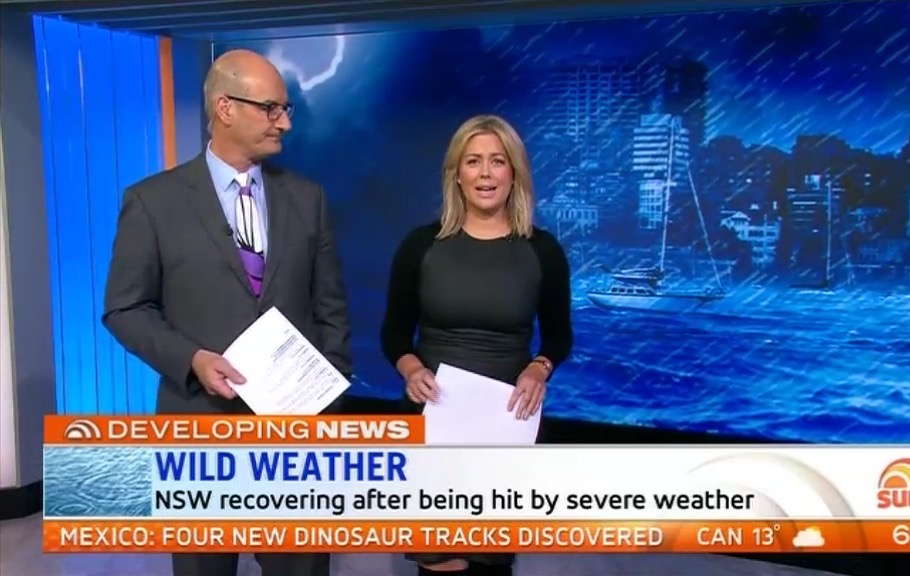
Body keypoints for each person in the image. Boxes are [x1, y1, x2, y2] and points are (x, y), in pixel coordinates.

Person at [102, 49, 352, 576]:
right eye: (270, 108)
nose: (284, 122)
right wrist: (192, 359)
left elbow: (331, 307)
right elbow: (125, 308)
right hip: (199, 431)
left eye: (285, 109)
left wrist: (327, 398)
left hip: (295, 443)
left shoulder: (307, 198)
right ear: (225, 107)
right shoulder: (152, 202)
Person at [379, 114, 574, 576]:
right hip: (434, 420)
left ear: (514, 173)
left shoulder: (543, 250)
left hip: (505, 422)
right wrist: (410, 369)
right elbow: (394, 332)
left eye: (497, 161)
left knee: (490, 564)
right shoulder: (420, 246)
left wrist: (539, 367)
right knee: (441, 562)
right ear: (456, 174)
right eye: (473, 161)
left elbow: (559, 335)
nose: (485, 173)